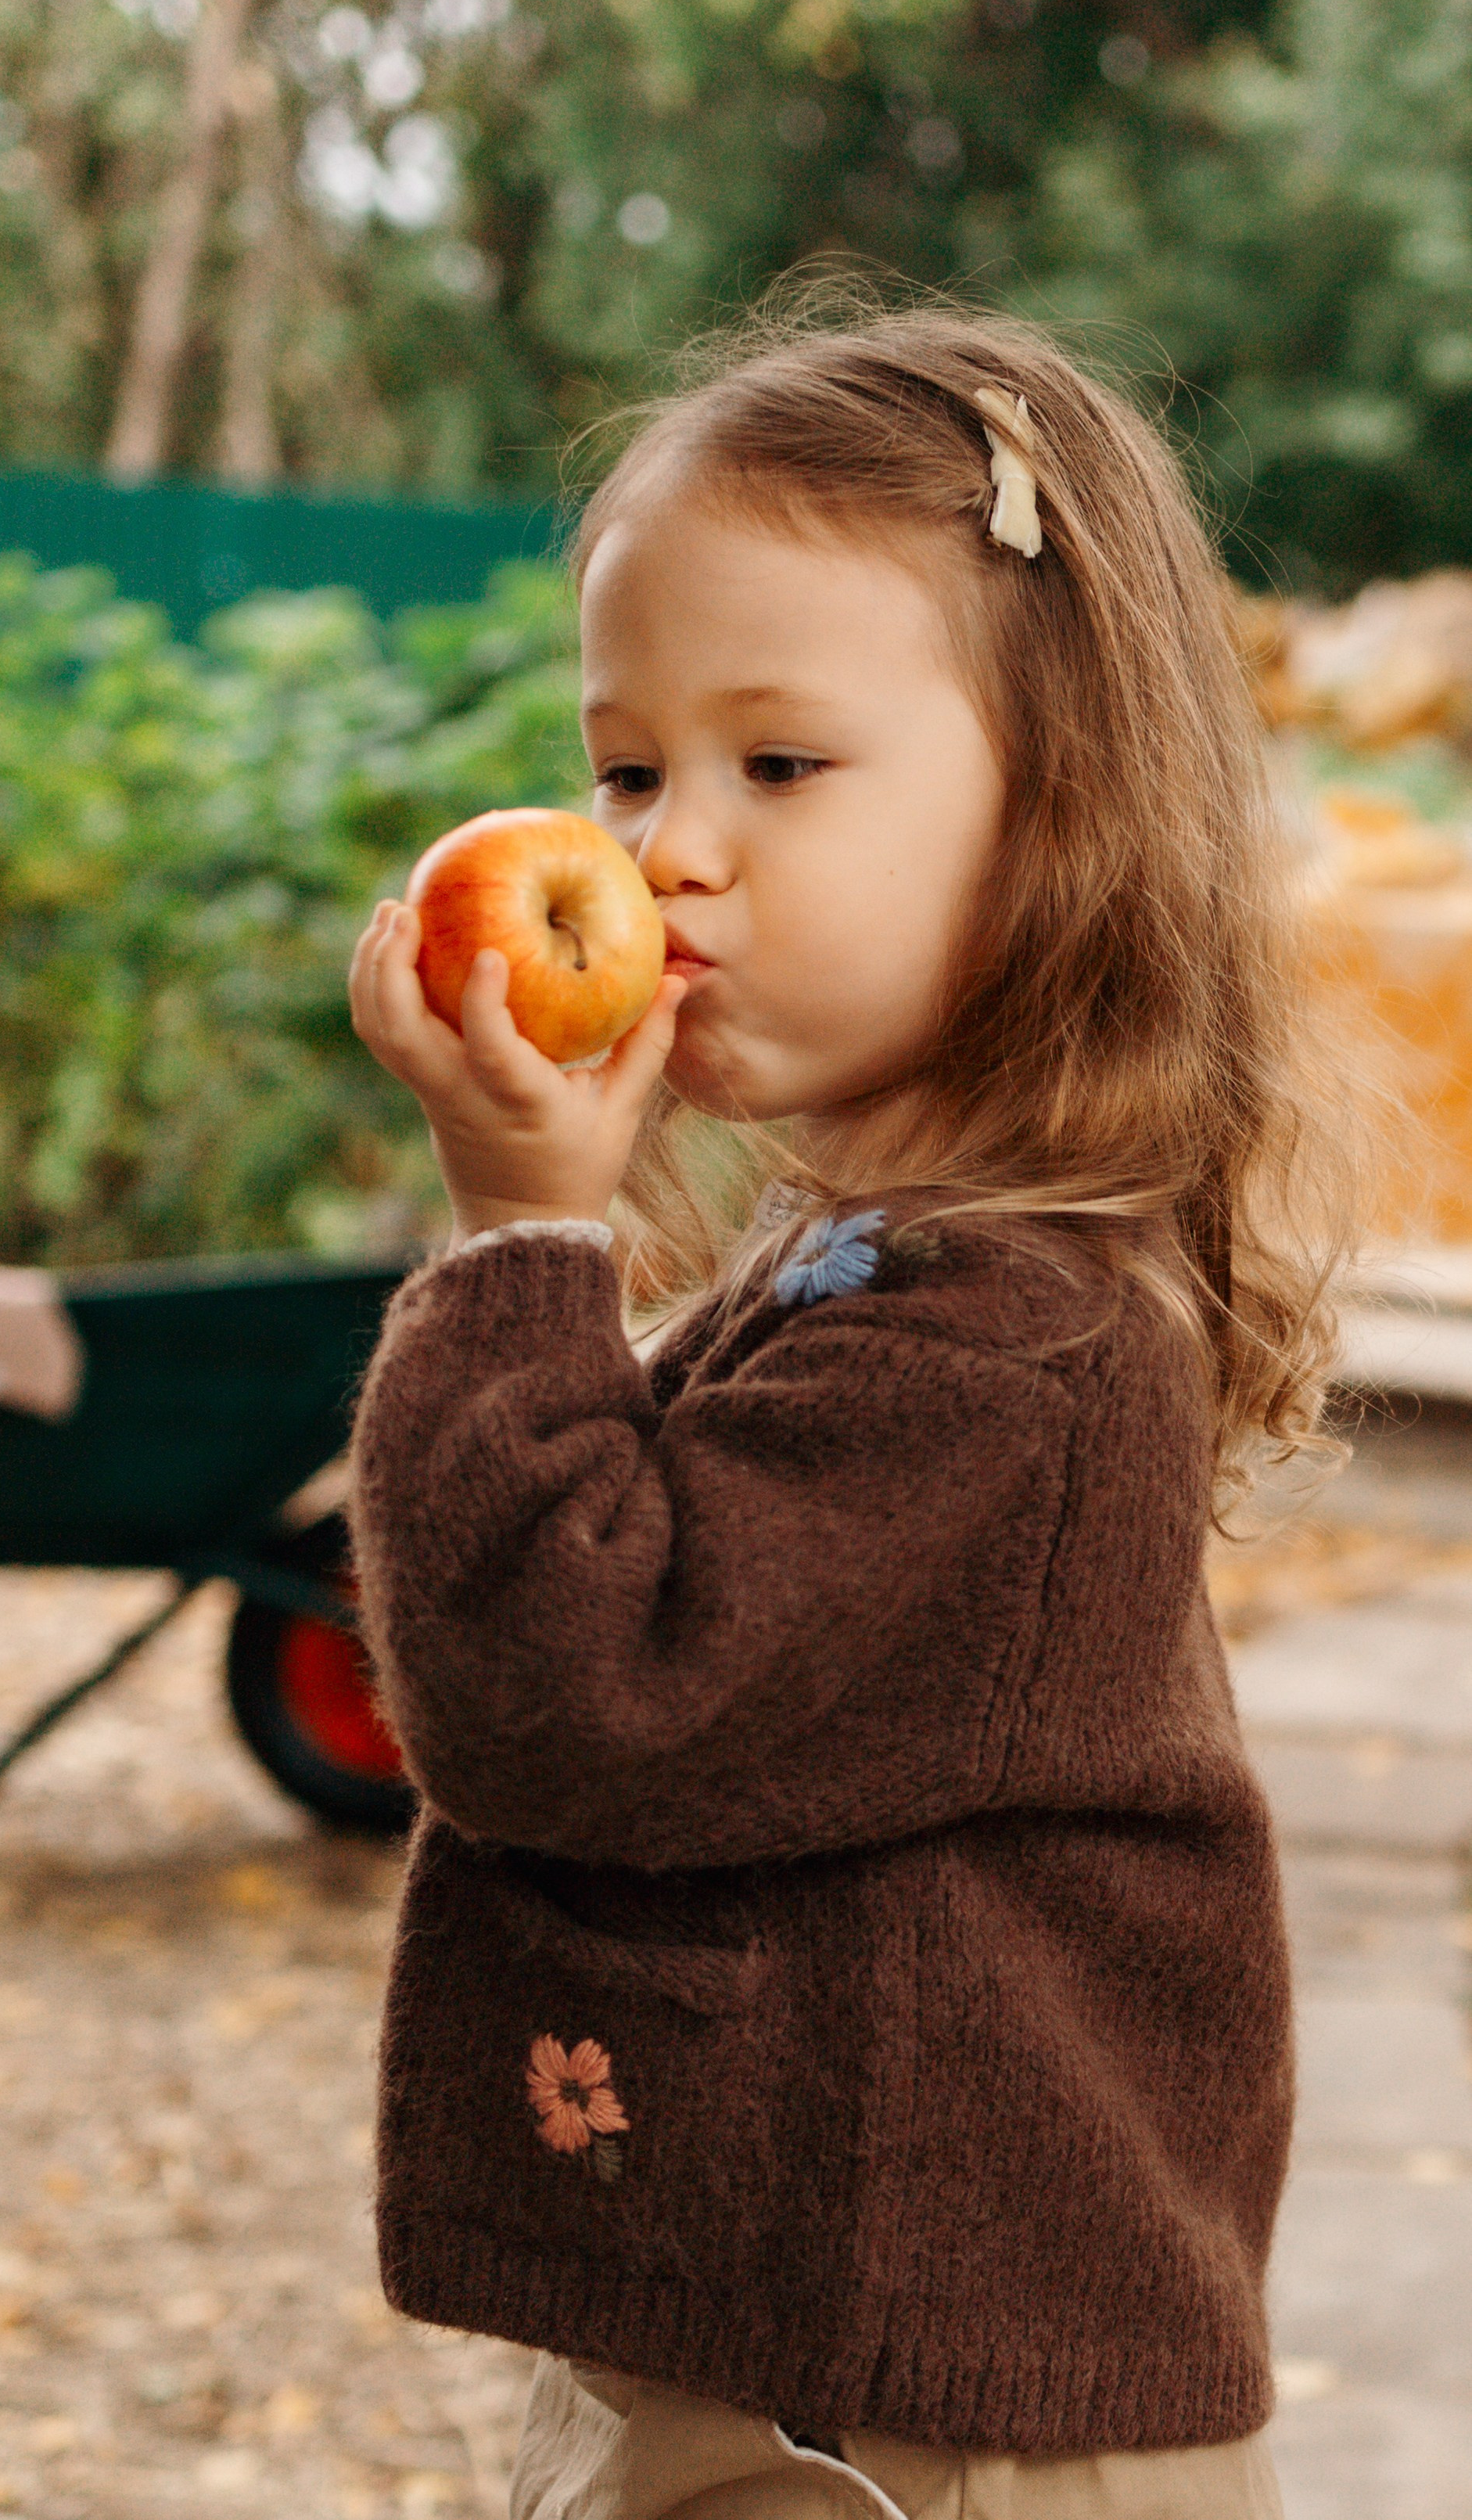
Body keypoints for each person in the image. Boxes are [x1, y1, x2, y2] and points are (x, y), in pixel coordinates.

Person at [344, 301, 1344, 2520]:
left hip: (903, 2439)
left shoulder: (1008, 1343)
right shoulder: (882, 1256)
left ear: (1061, 815)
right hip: (817, 2364)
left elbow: (563, 1688)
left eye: (774, 767)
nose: (667, 847)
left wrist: (520, 1235)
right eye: (626, 769)